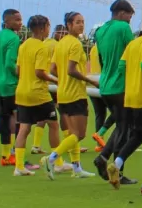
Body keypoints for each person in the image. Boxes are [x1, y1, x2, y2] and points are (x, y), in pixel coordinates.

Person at [105, 16, 142, 189]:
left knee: (138, 136)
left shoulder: (134, 43)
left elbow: (122, 66)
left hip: (130, 97)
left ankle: (116, 164)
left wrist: (131, 82)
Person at [92, 0, 137, 185]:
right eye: (129, 16)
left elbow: (101, 58)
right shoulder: (123, 28)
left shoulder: (100, 30)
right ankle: (116, 170)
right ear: (121, 13)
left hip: (105, 85)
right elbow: (133, 53)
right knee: (125, 129)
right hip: (120, 85)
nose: (129, 20)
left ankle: (103, 158)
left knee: (120, 125)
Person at [48, 11, 97, 179]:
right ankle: (52, 158)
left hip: (63, 93)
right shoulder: (75, 44)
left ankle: (77, 168)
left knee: (71, 133)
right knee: (79, 134)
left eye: (82, 21)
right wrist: (90, 80)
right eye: (77, 22)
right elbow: (71, 70)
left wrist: (61, 82)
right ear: (69, 25)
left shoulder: (60, 44)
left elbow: (53, 69)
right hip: (76, 94)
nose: (81, 25)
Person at [13, 15, 63, 176]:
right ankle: (57, 163)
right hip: (38, 93)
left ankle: (19, 166)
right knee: (54, 124)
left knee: (24, 128)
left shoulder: (24, 45)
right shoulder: (41, 47)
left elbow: (18, 71)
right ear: (42, 28)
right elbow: (40, 72)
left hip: (22, 92)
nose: (49, 29)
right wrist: (57, 80)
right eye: (48, 26)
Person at [0, 9, 24, 168]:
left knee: (3, 119)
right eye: (16, 20)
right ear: (7, 21)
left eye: (20, 19)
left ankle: (5, 154)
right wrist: (22, 76)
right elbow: (11, 64)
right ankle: (16, 154)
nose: (20, 23)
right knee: (19, 120)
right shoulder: (13, 38)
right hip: (10, 85)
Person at [34, 24, 68, 162]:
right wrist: (60, 80)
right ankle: (69, 144)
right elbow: (54, 67)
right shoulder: (56, 45)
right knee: (63, 112)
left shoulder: (44, 43)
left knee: (44, 115)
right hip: (52, 82)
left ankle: (36, 145)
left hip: (42, 84)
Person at [88, 40, 115, 151]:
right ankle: (119, 141)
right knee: (118, 112)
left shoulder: (93, 48)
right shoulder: (106, 47)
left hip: (93, 83)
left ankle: (99, 143)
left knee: (100, 114)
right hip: (103, 83)